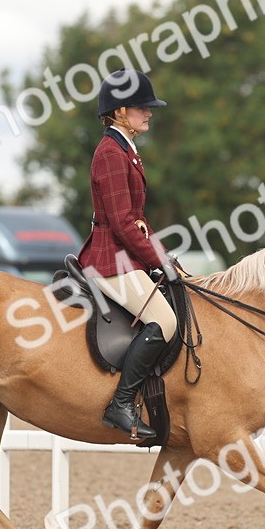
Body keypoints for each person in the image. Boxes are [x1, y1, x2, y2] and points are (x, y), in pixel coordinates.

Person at [77, 69, 179, 440]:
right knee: (165, 322)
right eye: (142, 107)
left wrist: (165, 259)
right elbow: (122, 223)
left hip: (124, 254)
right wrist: (158, 262)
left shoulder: (126, 150)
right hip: (110, 258)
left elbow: (138, 222)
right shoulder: (110, 153)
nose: (149, 113)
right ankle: (120, 404)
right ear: (120, 112)